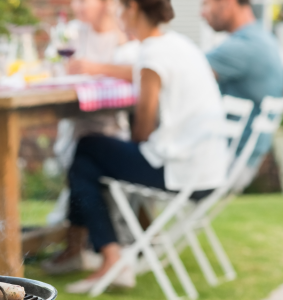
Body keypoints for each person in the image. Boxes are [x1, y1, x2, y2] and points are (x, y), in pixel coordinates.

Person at [64, 0, 229, 293]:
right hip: (208, 170)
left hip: (180, 171)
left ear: (135, 9)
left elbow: (142, 128)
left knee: (85, 148)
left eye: (120, 9)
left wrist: (122, 150)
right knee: (91, 156)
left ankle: (106, 257)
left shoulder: (151, 55)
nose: (117, 16)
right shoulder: (179, 44)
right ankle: (99, 254)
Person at [42, 0, 137, 276]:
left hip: (108, 127)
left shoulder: (123, 36)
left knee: (82, 163)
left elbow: (137, 72)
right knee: (80, 163)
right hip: (77, 125)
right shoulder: (72, 32)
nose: (78, 5)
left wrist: (93, 66)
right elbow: (54, 61)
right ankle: (84, 250)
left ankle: (94, 251)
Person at [201, 0, 283, 167]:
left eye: (206, 4)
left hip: (225, 158)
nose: (202, 13)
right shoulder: (262, 39)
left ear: (227, 3)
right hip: (245, 156)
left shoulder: (244, 46)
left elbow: (182, 75)